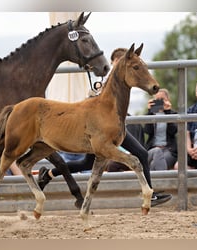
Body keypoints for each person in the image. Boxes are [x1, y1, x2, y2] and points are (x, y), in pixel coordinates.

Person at [38, 47, 172, 206]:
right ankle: (49, 174)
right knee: (87, 163)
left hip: (116, 128)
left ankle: (151, 194)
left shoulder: (122, 83)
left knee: (141, 153)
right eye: (119, 61)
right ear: (114, 62)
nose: (121, 64)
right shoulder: (101, 83)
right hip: (99, 131)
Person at [144, 88, 178, 170]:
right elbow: (147, 131)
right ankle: (161, 182)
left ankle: (152, 182)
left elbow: (173, 131)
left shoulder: (173, 114)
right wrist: (150, 112)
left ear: (168, 100)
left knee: (154, 164)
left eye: (162, 100)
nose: (160, 102)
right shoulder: (151, 114)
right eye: (157, 100)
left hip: (168, 150)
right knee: (156, 153)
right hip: (153, 148)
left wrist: (167, 112)